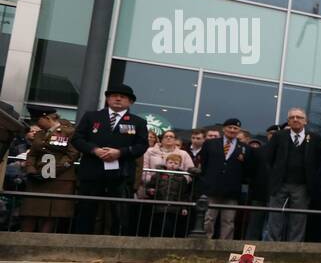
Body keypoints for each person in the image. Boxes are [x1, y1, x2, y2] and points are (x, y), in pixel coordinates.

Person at [72, 83, 150, 235]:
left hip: (121, 174)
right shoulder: (91, 116)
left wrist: (120, 152)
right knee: (86, 211)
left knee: (120, 214)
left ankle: (116, 248)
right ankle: (80, 244)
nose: (118, 99)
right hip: (92, 171)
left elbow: (142, 146)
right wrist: (94, 150)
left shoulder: (138, 122)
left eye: (123, 97)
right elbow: (77, 139)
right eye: (114, 96)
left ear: (130, 102)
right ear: (107, 99)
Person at [265, 108, 321, 243]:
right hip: (280, 184)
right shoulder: (279, 136)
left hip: (302, 185)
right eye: (292, 117)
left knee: (298, 219)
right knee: (275, 217)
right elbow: (269, 159)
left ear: (305, 121)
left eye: (299, 117)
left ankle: (294, 248)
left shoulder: (315, 139)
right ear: (288, 121)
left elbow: (318, 162)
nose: (295, 119)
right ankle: (272, 247)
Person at [21, 107, 80, 233]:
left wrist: (51, 171)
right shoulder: (40, 134)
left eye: (38, 120)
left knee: (50, 215)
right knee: (29, 213)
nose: (36, 123)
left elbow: (71, 155)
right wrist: (31, 169)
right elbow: (32, 154)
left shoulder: (69, 133)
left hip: (59, 180)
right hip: (37, 178)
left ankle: (41, 246)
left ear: (47, 118)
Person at [195, 118, 251, 240]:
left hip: (232, 191)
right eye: (229, 127)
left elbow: (246, 169)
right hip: (212, 188)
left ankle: (224, 246)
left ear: (238, 130)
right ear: (224, 129)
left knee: (228, 221)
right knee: (209, 218)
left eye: (235, 128)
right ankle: (205, 243)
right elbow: (204, 163)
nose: (232, 130)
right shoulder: (211, 143)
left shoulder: (244, 148)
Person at [139, 129, 195, 235]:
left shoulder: (183, 153)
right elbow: (144, 168)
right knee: (151, 221)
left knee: (171, 223)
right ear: (161, 139)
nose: (169, 138)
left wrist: (180, 180)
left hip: (175, 192)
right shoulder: (150, 151)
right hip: (153, 191)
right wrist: (153, 182)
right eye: (166, 136)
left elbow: (190, 171)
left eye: (172, 136)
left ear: (175, 140)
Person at [152, 152, 193, 238]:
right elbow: (150, 186)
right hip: (159, 206)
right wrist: (150, 190)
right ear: (166, 163)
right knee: (159, 226)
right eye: (170, 162)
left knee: (170, 227)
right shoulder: (158, 175)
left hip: (174, 208)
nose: (173, 165)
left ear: (179, 165)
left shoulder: (182, 178)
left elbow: (184, 194)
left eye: (176, 163)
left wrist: (184, 207)